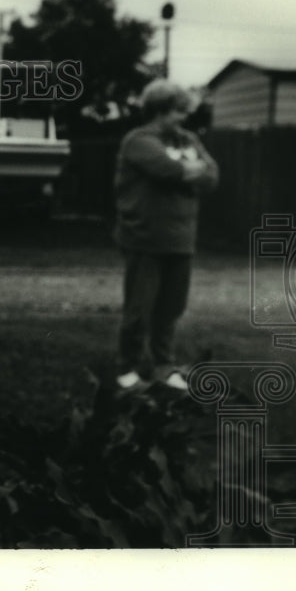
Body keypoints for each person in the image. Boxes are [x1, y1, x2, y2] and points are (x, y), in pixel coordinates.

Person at [113, 80, 219, 390]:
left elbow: (212, 176)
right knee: (139, 308)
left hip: (182, 238)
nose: (184, 118)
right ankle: (127, 367)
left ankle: (163, 366)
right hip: (145, 237)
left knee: (171, 309)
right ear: (160, 110)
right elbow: (167, 170)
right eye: (178, 111)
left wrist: (189, 169)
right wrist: (189, 169)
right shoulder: (138, 140)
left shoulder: (187, 140)